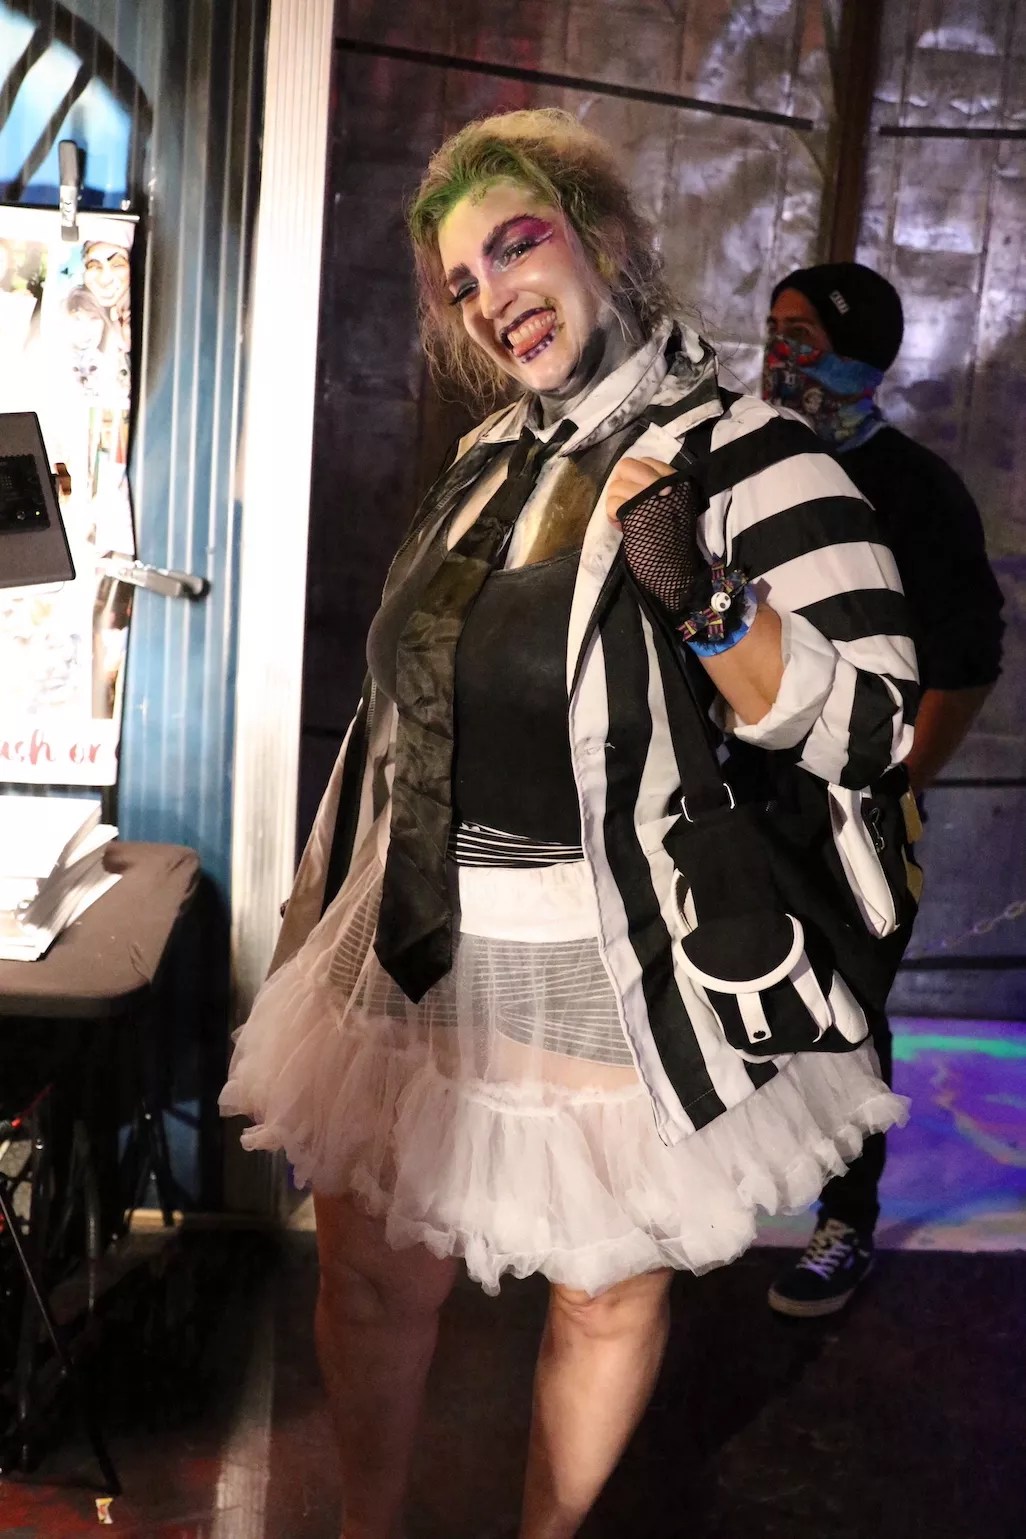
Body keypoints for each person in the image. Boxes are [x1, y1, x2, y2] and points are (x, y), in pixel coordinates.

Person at [220, 112, 917, 1539]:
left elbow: (874, 727)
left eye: (515, 243)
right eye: (460, 281)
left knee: (602, 1295)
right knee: (370, 1275)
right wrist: (317, 908)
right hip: (419, 939)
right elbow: (401, 711)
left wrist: (710, 601)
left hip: (614, 958)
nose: (490, 295)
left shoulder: (753, 457)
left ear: (600, 236)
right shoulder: (486, 458)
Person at [762, 261, 1004, 1317]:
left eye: (804, 335)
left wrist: (900, 786)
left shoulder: (917, 491)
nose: (780, 354)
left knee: (848, 1011)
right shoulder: (750, 462)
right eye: (774, 329)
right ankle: (713, 1195)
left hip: (857, 804)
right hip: (739, 794)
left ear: (860, 352)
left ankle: (845, 1220)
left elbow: (969, 657)